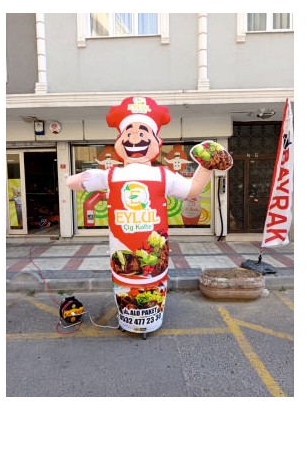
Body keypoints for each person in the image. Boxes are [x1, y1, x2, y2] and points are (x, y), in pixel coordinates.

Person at [66, 96, 232, 336]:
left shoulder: (162, 175)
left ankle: (148, 321)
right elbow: (75, 181)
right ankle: (129, 321)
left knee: (151, 281)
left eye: (143, 133)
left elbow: (192, 189)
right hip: (121, 251)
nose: (135, 139)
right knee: (126, 283)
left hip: (155, 258)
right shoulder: (112, 175)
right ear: (118, 141)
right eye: (129, 134)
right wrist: (76, 179)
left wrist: (207, 166)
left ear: (156, 141)